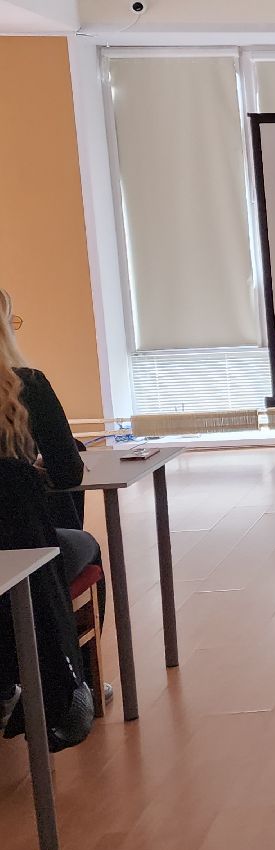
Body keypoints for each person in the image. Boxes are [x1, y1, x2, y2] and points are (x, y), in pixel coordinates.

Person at [0, 289, 104, 744]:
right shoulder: (27, 385)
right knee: (85, 546)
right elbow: (68, 471)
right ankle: (76, 680)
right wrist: (28, 475)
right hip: (23, 547)